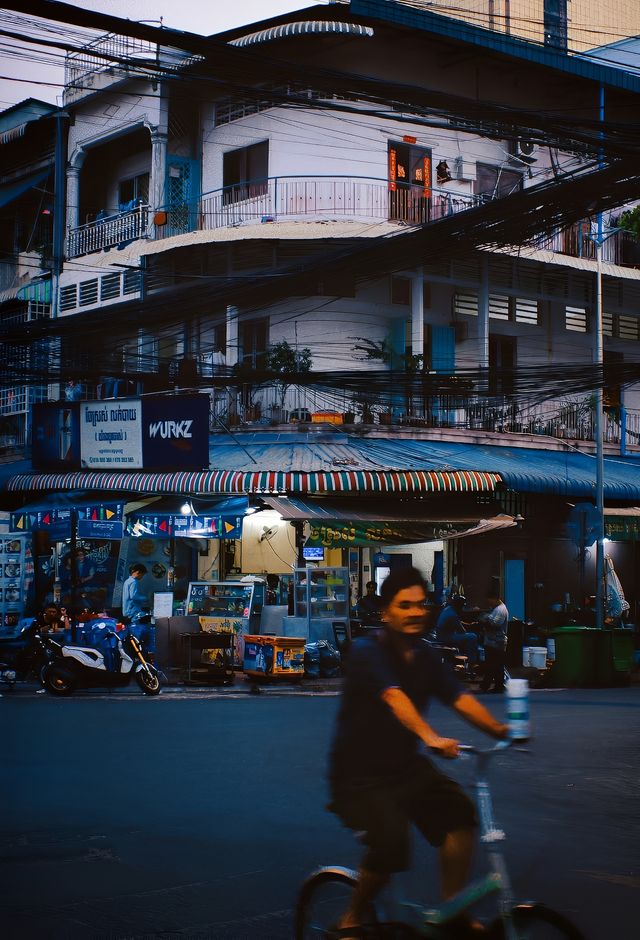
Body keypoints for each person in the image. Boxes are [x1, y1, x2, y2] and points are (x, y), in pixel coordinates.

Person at [328, 567, 508, 936]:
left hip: (404, 768)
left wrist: (502, 731)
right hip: (359, 777)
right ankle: (351, 917)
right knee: (392, 843)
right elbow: (394, 697)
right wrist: (429, 736)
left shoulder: (425, 656)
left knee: (461, 815)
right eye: (404, 605)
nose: (414, 612)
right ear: (387, 612)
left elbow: (459, 697)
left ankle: (452, 909)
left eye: (420, 605)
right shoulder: (367, 651)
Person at [434, 594, 480, 664]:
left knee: (467, 636)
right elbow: (462, 631)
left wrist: (469, 625)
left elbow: (458, 623)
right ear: (459, 606)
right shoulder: (453, 614)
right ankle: (472, 661)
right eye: (462, 606)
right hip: (446, 637)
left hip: (443, 634)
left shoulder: (448, 609)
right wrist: (471, 626)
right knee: (473, 636)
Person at [479, 591, 509, 694]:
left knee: (493, 665)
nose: (489, 602)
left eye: (490, 600)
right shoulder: (495, 609)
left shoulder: (501, 610)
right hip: (493, 641)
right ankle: (497, 686)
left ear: (496, 598)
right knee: (495, 666)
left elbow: (494, 624)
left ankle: (489, 686)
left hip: (497, 642)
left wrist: (484, 619)